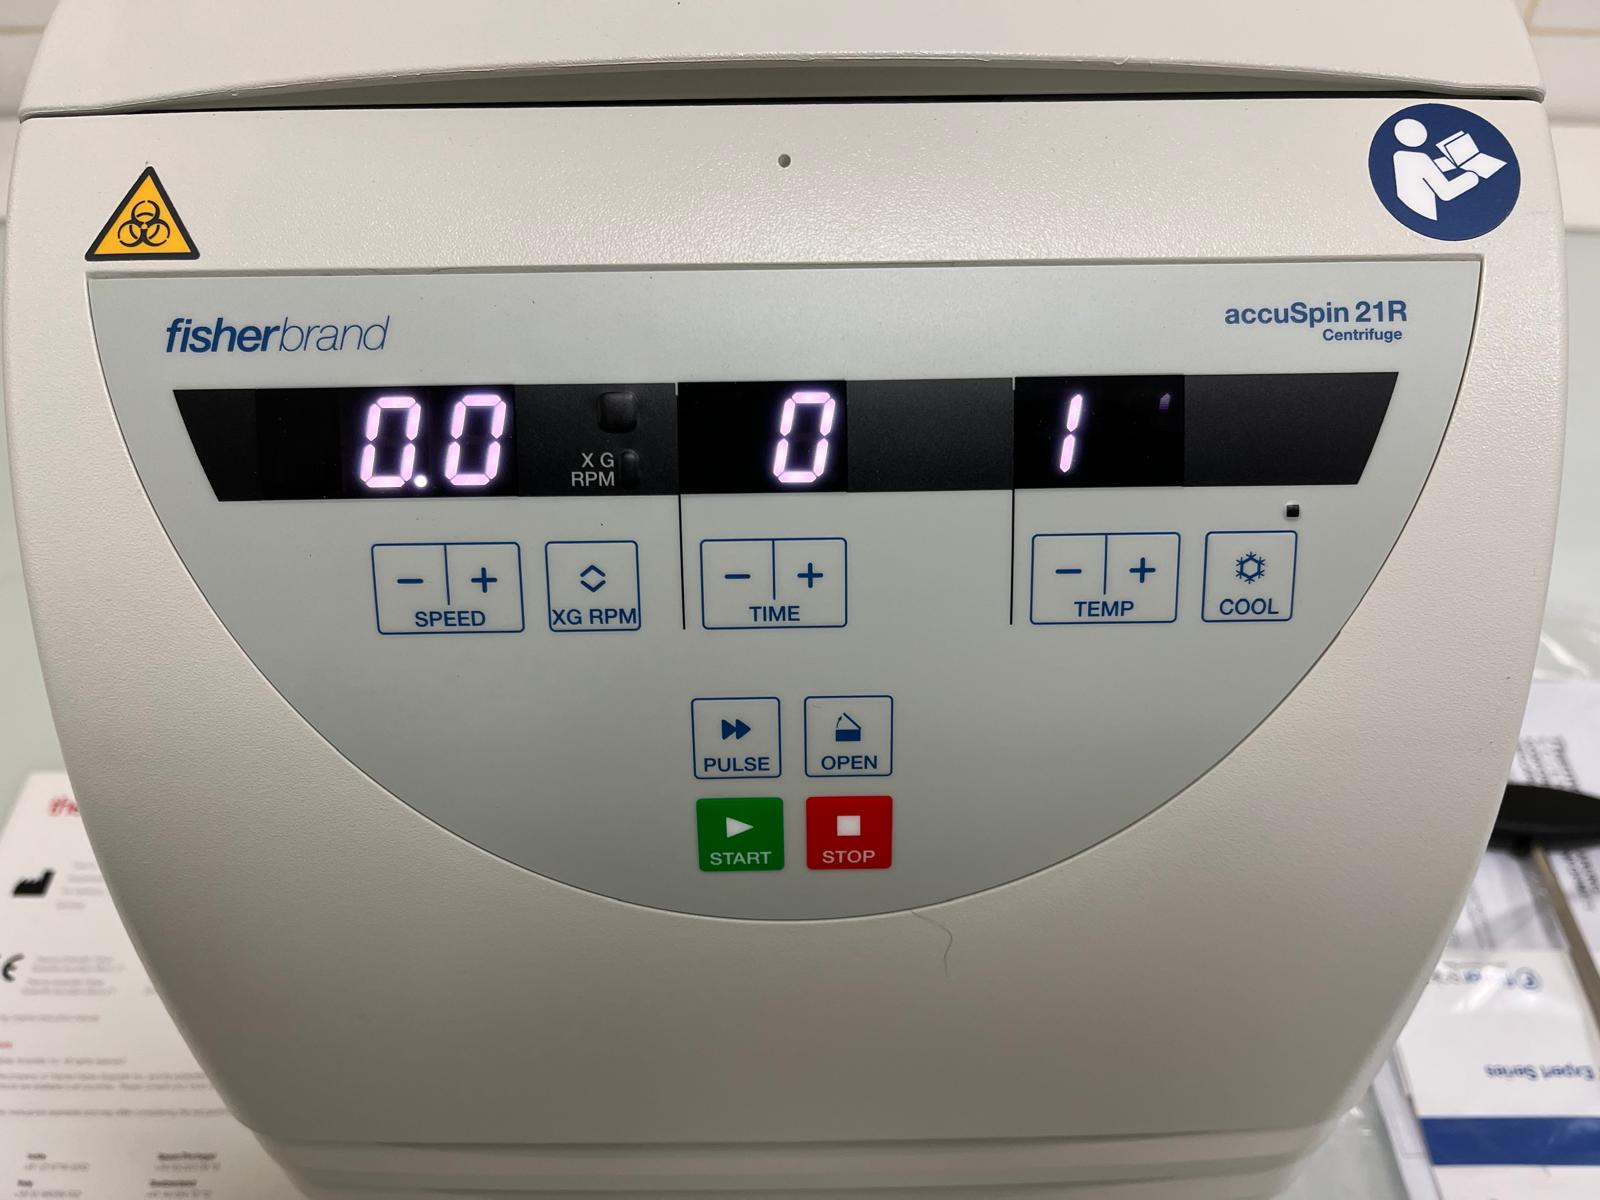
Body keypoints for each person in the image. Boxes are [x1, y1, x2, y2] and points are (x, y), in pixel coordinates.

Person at [1392, 117, 1477, 221]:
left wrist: (1449, 163)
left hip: (1410, 212)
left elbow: (1422, 169)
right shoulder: (1421, 159)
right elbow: (1447, 192)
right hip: (1425, 215)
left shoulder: (1399, 156)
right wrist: (1473, 176)